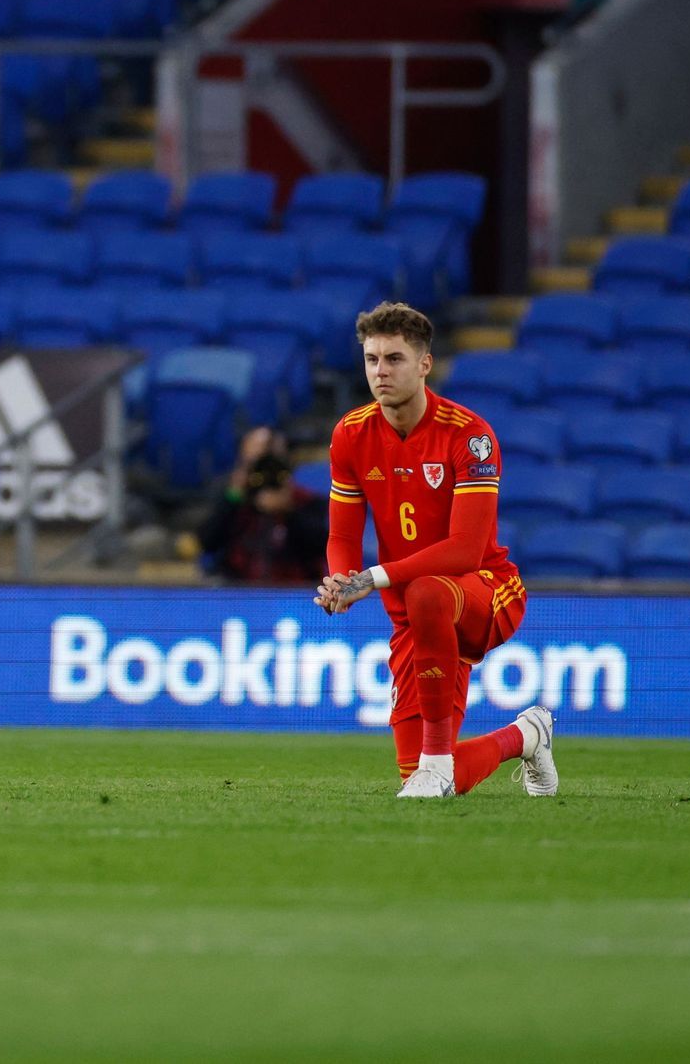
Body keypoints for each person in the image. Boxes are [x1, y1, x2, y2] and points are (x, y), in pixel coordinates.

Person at [314, 302, 559, 801]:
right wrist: (341, 578)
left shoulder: (469, 436)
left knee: (426, 591)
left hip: (487, 594)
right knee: (421, 783)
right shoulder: (350, 434)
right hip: (413, 616)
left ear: (424, 364)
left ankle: (437, 759)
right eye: (372, 359)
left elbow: (466, 551)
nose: (381, 371)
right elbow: (341, 538)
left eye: (394, 359)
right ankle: (527, 735)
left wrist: (374, 577)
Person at [196, 426, 327, 584]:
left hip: (295, 593)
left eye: (272, 461)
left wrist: (288, 511)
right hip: (238, 591)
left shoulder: (305, 500)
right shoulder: (231, 495)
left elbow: (321, 548)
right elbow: (207, 542)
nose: (266, 471)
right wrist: (233, 498)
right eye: (258, 462)